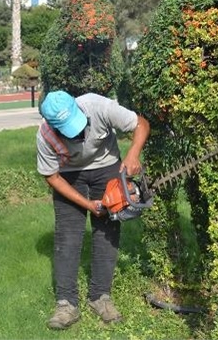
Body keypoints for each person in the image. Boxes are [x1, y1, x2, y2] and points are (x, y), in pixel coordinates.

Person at [36, 90, 150, 330]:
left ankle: (100, 297)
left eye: (79, 125)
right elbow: (52, 177)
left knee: (107, 231)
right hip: (68, 173)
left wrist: (133, 153)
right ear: (53, 127)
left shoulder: (98, 106)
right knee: (67, 236)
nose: (79, 133)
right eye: (70, 130)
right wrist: (87, 205)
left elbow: (141, 123)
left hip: (106, 166)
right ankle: (66, 304)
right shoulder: (44, 136)